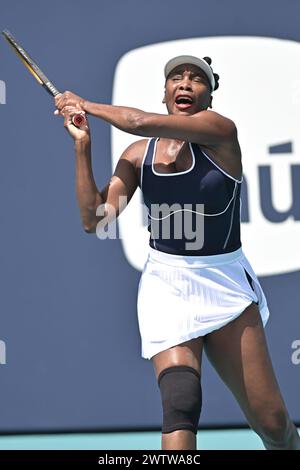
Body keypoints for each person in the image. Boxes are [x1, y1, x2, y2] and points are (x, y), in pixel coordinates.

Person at [54, 55, 300, 451]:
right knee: (181, 404)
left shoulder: (220, 131)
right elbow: (96, 219)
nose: (185, 84)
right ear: (165, 92)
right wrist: (83, 145)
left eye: (197, 79)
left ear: (209, 96)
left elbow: (137, 121)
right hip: (165, 285)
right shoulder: (137, 155)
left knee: (275, 427)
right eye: (176, 78)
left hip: (225, 285)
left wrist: (87, 104)